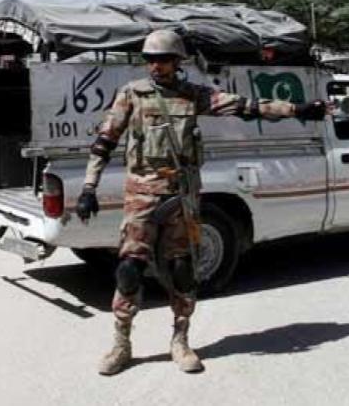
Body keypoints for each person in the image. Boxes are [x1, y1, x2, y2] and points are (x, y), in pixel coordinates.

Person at [76, 29, 328, 376]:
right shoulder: (132, 94)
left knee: (182, 269)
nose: (156, 66)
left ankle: (180, 340)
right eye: (150, 60)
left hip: (181, 194)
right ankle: (121, 344)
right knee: (129, 270)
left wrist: (297, 109)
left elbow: (247, 107)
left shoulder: (193, 95)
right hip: (141, 194)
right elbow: (105, 141)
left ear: (177, 61)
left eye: (163, 60)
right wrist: (89, 187)